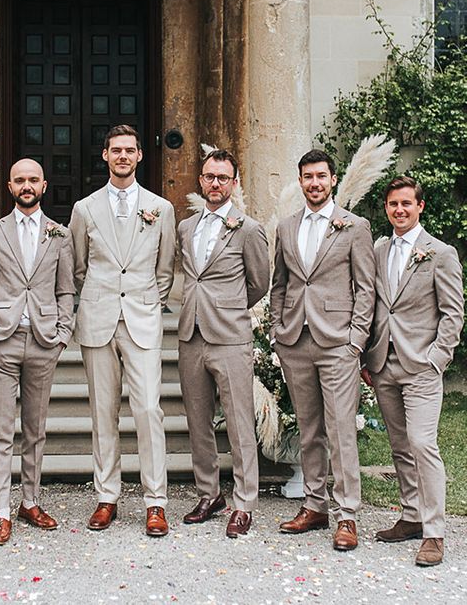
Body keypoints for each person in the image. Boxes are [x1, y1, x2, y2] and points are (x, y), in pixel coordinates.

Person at [70, 124, 175, 537]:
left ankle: (155, 502)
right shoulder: (84, 208)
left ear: (139, 156)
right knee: (103, 412)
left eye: (129, 150)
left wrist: (145, 298)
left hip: (142, 318)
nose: (123, 156)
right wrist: (100, 296)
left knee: (149, 410)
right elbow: (78, 267)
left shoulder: (160, 208)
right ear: (105, 156)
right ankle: (107, 496)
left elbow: (165, 269)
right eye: (116, 150)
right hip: (98, 318)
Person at [270, 149, 374, 551]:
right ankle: (314, 506)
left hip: (337, 343)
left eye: (320, 176)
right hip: (296, 340)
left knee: (341, 429)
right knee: (308, 428)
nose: (314, 183)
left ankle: (347, 513)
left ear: (332, 180)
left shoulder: (354, 226)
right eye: (307, 177)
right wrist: (279, 330)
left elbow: (366, 289)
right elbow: (280, 283)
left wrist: (355, 341)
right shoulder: (286, 226)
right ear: (300, 182)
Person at [0, 158, 75, 545]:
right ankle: (0, 512)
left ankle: (29, 501)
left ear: (44, 186)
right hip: (4, 339)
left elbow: (66, 289)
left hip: (45, 340)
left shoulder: (59, 235)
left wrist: (63, 332)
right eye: (20, 180)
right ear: (9, 186)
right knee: (1, 431)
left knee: (35, 429)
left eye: (33, 180)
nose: (26, 185)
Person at [362, 176, 464, 567]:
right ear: (386, 208)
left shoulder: (440, 253)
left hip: (422, 365)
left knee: (423, 445)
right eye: (393, 204)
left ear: (420, 206)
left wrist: (437, 359)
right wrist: (366, 358)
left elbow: (453, 313)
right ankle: (411, 515)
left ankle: (435, 533)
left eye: (407, 203)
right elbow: (374, 305)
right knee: (400, 446)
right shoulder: (378, 248)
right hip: (383, 364)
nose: (399, 210)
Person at [177, 149, 269, 538]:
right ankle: (209, 493)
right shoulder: (186, 227)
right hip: (190, 334)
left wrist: (230, 308)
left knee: (238, 421)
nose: (215, 183)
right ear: (201, 180)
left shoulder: (248, 228)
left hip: (230, 336)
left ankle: (244, 501)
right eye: (209, 176)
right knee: (198, 421)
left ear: (234, 182)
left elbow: (259, 282)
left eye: (222, 177)